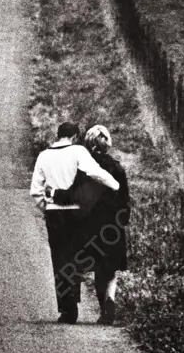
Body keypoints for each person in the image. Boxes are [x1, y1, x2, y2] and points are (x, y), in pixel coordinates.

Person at [30, 121, 120, 323]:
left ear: (58, 135)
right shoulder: (78, 151)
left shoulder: (44, 156)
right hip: (75, 214)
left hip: (54, 213)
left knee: (59, 260)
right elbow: (95, 172)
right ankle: (74, 302)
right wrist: (114, 185)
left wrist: (47, 207)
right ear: (74, 137)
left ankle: (66, 309)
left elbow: (35, 190)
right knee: (74, 259)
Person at [79, 125, 130, 325]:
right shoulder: (117, 167)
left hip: (91, 223)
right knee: (110, 269)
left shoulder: (84, 167)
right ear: (107, 144)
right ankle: (110, 300)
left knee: (97, 266)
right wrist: (123, 220)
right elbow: (125, 198)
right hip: (113, 225)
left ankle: (104, 307)